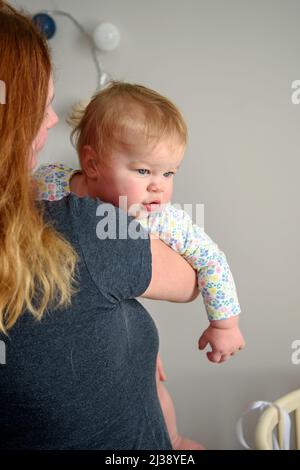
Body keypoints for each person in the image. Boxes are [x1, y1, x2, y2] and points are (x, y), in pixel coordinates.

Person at [0, 0, 208, 450]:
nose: (52, 119)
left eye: (166, 174)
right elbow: (194, 278)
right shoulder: (81, 226)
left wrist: (129, 347)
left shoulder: (62, 204)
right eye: (42, 105)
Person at [34, 83, 245, 449]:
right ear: (92, 163)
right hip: (71, 328)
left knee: (151, 385)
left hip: (122, 327)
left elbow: (210, 258)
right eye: (145, 171)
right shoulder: (51, 183)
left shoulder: (158, 219)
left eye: (169, 174)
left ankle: (174, 440)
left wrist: (224, 324)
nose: (158, 188)